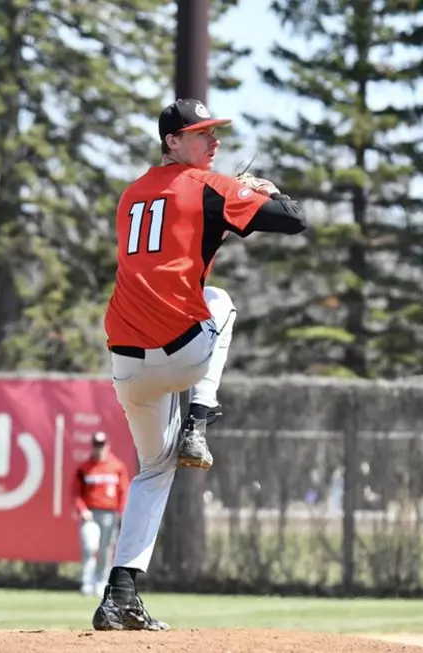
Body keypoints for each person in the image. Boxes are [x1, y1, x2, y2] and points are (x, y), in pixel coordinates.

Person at [93, 98, 307, 631]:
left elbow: (169, 242)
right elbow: (294, 221)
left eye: (214, 133)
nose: (212, 143)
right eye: (200, 134)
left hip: (126, 362)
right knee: (223, 300)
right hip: (184, 355)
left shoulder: (130, 194)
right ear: (172, 142)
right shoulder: (208, 185)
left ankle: (119, 594)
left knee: (151, 470)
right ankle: (201, 415)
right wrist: (263, 189)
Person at [74, 430, 129, 598]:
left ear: (107, 445)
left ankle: (101, 582)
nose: (99, 449)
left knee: (106, 551)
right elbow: (75, 492)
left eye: (101, 445)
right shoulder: (85, 468)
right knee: (90, 547)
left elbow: (123, 492)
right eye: (96, 445)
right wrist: (82, 509)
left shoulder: (117, 467)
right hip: (90, 514)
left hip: (110, 514)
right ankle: (87, 583)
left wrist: (121, 513)